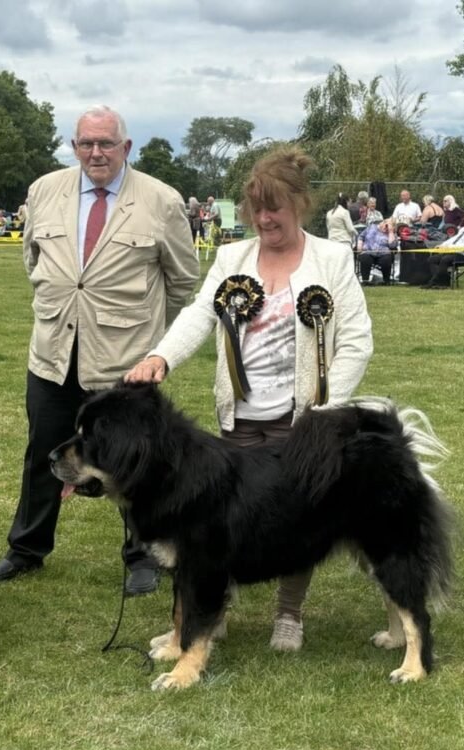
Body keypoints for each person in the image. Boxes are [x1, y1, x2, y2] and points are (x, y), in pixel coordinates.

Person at [125, 146, 373, 651]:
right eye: (255, 209)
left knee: (298, 517)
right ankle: (211, 614)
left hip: (301, 419)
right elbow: (199, 314)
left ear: (299, 204)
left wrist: (324, 409)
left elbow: (357, 340)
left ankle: (289, 613)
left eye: (274, 208)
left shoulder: (333, 259)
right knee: (219, 523)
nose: (263, 218)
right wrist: (160, 358)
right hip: (238, 416)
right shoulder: (231, 258)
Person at [0, 105, 200, 593]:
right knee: (43, 454)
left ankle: (143, 557)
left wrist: (155, 350)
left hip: (126, 364)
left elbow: (183, 281)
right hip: (54, 353)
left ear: (126, 147)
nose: (96, 153)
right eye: (85, 144)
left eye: (106, 143)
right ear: (73, 146)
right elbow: (33, 258)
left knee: (137, 460)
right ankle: (26, 549)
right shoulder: (43, 190)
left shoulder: (162, 201)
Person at [423, 212, 464, 288]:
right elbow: (453, 239)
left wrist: (449, 247)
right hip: (453, 252)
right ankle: (443, 281)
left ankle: (436, 283)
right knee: (432, 259)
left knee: (445, 259)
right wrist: (442, 245)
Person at [355, 215, 395, 285]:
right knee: (365, 257)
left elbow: (392, 246)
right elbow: (361, 236)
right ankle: (365, 280)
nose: (386, 228)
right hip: (368, 251)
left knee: (386, 259)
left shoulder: (391, 233)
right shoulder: (372, 227)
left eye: (388, 227)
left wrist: (391, 232)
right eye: (386, 225)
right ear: (383, 222)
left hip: (383, 253)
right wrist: (359, 247)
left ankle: (386, 281)